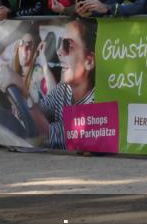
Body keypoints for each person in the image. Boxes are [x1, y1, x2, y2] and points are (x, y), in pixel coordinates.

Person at [30, 19, 97, 150]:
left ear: (89, 62)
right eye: (60, 43)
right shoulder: (64, 88)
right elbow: (41, 110)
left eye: (68, 45)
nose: (59, 51)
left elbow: (49, 135)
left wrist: (21, 90)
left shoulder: (96, 102)